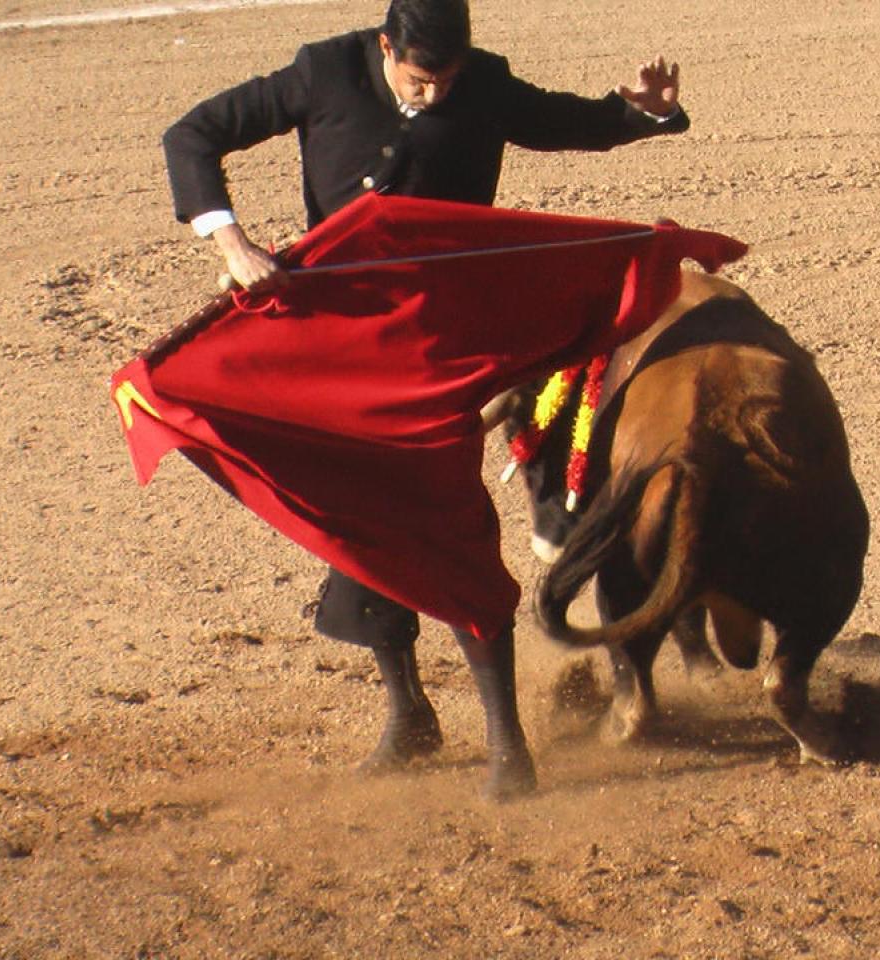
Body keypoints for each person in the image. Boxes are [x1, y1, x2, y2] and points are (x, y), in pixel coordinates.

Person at [161, 0, 691, 799]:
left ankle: (507, 742)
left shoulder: (484, 84)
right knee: (361, 515)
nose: (436, 93)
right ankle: (409, 712)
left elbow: (566, 123)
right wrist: (231, 242)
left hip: (445, 342)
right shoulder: (325, 72)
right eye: (420, 79)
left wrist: (639, 113)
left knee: (446, 522)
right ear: (385, 47)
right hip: (342, 346)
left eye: (447, 79)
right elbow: (193, 134)